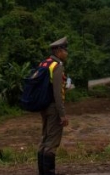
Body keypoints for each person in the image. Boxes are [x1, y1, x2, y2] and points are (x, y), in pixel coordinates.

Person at [37, 37, 69, 175]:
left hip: (43, 106)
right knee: (52, 143)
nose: (66, 53)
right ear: (59, 51)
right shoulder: (57, 66)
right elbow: (57, 92)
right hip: (53, 108)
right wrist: (62, 114)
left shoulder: (44, 63)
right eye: (65, 50)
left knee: (44, 140)